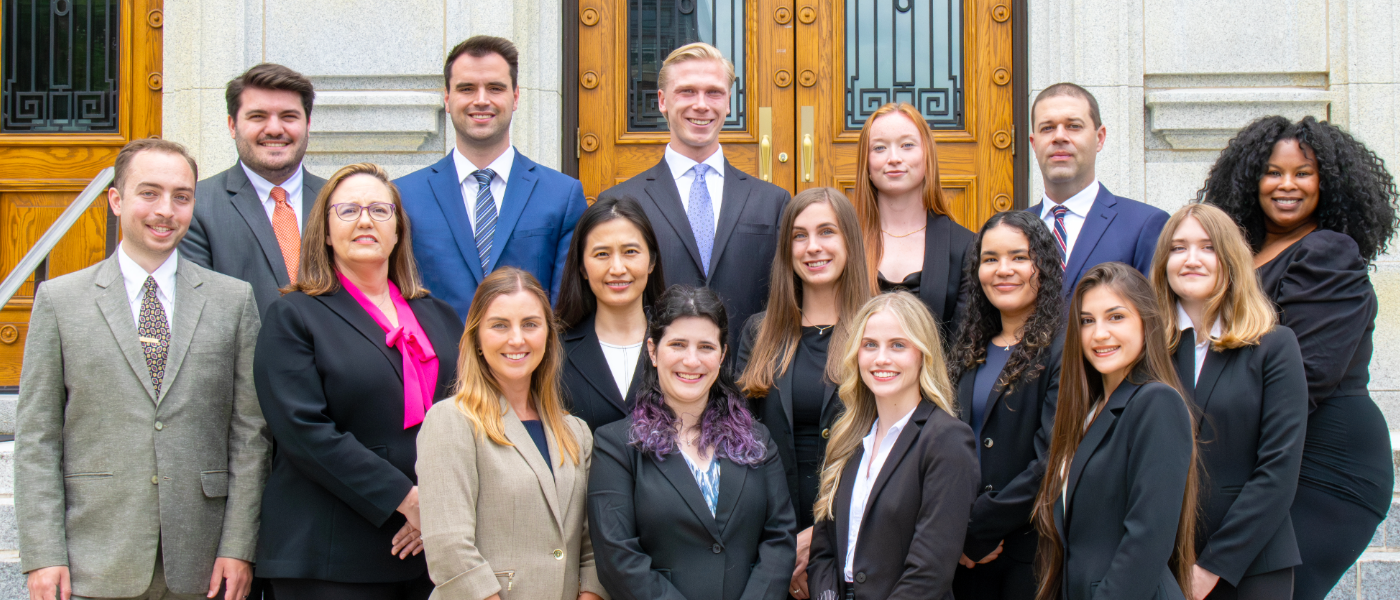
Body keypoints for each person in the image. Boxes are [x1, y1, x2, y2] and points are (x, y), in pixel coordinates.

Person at [16, 139, 269, 600]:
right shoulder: (60, 301)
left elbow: (250, 434)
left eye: (181, 196)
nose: (165, 210)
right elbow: (38, 438)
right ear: (117, 200)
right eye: (149, 193)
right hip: (93, 556)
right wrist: (43, 553)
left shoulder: (232, 300)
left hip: (204, 559)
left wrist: (239, 546)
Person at [1200, 115, 1400, 600]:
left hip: (1327, 467)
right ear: (1250, 180)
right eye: (1273, 172)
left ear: (1326, 183)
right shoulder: (1241, 256)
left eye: (1303, 173)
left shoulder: (1328, 253)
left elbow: (1308, 376)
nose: (1286, 185)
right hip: (1266, 461)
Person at [253, 163, 464, 599]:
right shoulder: (294, 316)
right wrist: (409, 500)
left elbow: (468, 417)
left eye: (380, 210)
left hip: (430, 554)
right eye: (348, 210)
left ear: (398, 230)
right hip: (331, 554)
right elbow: (305, 432)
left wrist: (437, 509)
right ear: (326, 232)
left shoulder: (439, 316)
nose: (365, 220)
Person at [588, 285, 797, 600]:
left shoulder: (757, 441)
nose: (691, 360)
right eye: (678, 344)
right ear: (653, 351)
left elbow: (779, 539)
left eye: (706, 347)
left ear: (722, 355)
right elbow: (617, 558)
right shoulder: (616, 446)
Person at [417, 267, 606, 600]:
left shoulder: (576, 433)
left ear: (548, 336)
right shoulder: (451, 421)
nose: (517, 339)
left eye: (530, 324)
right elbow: (450, 549)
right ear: (477, 338)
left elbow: (593, 548)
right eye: (500, 325)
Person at [1150, 204, 1308, 600]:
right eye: (1178, 248)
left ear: (1230, 259)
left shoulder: (1275, 346)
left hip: (1252, 564)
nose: (1191, 259)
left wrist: (1213, 566)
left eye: (1208, 247)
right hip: (1160, 562)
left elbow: (1279, 469)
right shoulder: (1147, 351)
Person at [596, 43, 789, 353]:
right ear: (662, 101)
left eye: (714, 93)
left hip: (749, 372)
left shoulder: (773, 202)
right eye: (687, 92)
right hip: (653, 375)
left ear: (728, 102)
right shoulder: (622, 201)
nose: (701, 105)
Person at [735, 187, 874, 599]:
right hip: (770, 540)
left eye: (827, 231)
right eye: (799, 235)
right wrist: (785, 546)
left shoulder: (878, 330)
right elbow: (741, 444)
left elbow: (893, 447)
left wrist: (822, 534)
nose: (813, 246)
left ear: (849, 241)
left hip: (858, 537)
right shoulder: (759, 334)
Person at [1032, 262, 1198, 600]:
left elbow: (1147, 538)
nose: (1099, 334)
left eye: (1116, 317)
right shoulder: (1087, 411)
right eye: (1087, 321)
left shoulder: (1157, 402)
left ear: (1147, 323)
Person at [397, 35, 587, 319]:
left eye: (495, 88)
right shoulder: (404, 196)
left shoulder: (562, 195)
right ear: (447, 99)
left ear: (516, 97)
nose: (481, 100)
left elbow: (567, 307)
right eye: (467, 88)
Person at [807, 292, 979, 600]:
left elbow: (930, 572)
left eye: (898, 345)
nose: (881, 358)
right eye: (870, 345)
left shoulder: (947, 440)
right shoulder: (846, 438)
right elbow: (823, 552)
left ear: (923, 354)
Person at [947, 210, 1064, 600]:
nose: (1003, 270)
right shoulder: (969, 347)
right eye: (990, 259)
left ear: (1043, 265)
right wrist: (955, 529)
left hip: (1029, 553)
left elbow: (1053, 460)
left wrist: (979, 527)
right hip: (961, 555)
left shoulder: (1064, 348)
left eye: (1019, 257)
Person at [183, 63, 327, 316]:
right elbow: (197, 311)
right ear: (232, 125)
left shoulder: (338, 201)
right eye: (258, 116)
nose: (274, 129)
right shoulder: (196, 206)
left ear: (308, 124)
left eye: (289, 116)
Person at [1025, 83, 1169, 294]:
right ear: (1034, 143)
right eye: (1047, 128)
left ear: (1099, 138)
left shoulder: (1144, 225)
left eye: (1074, 126)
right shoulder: (1013, 229)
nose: (1059, 136)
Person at [851, 102, 975, 341]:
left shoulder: (964, 246)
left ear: (927, 155)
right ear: (866, 163)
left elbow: (963, 345)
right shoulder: (846, 242)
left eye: (907, 145)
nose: (894, 158)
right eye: (879, 148)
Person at [557, 197, 668, 431]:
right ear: (582, 267)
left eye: (630, 251)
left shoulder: (679, 344)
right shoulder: (555, 350)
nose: (617, 269)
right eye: (602, 254)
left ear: (651, 261)